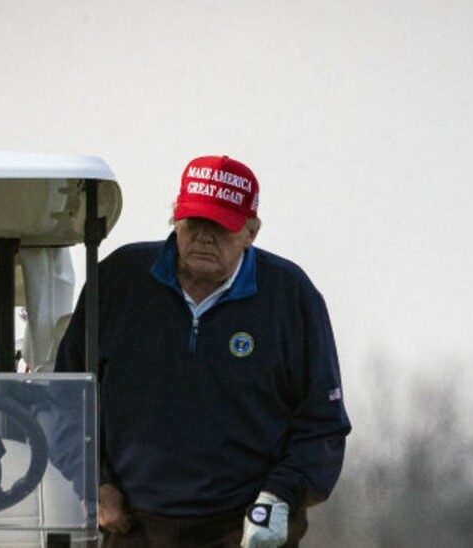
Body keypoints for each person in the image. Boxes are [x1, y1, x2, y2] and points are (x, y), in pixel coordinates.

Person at [52, 155, 351, 548]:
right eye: (194, 223)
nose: (204, 237)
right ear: (176, 218)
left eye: (220, 227)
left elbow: (322, 423)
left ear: (250, 232)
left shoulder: (291, 296)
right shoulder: (118, 281)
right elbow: (65, 399)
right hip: (132, 524)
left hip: (245, 526)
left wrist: (280, 498)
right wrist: (96, 484)